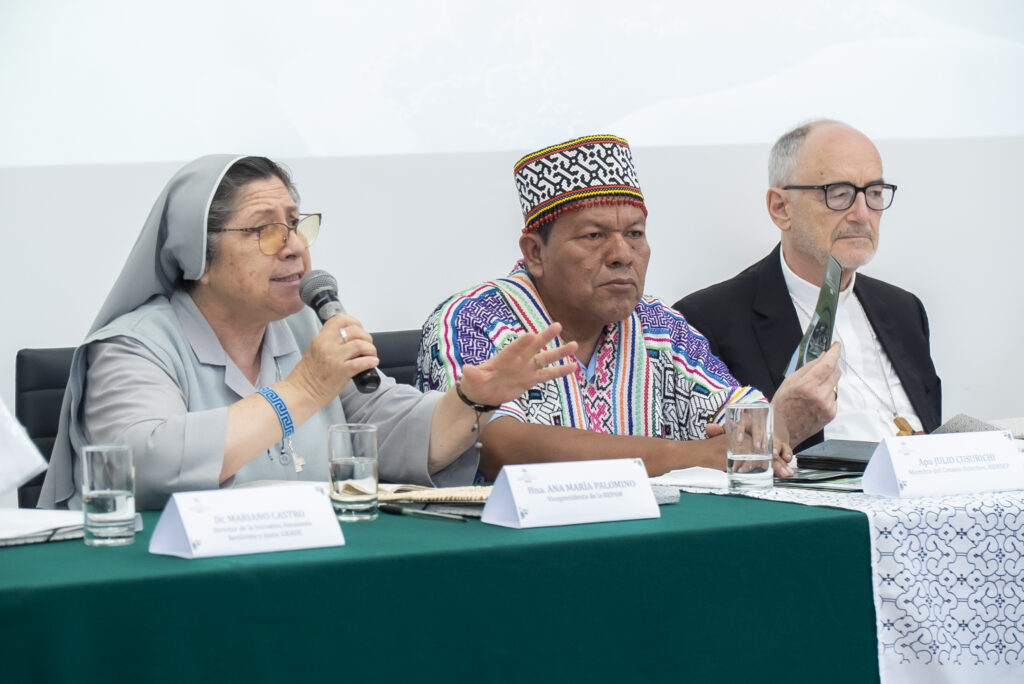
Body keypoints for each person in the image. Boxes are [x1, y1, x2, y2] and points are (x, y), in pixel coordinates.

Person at [38, 155, 576, 510]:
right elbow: (138, 462)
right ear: (195, 251)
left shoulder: (298, 325)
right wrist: (302, 390)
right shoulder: (135, 346)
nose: (294, 246)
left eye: (296, 224)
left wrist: (470, 400)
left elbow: (388, 428)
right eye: (266, 230)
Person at [416, 134, 839, 481]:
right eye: (594, 236)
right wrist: (691, 455)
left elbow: (742, 422)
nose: (622, 254)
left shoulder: (659, 326)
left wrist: (772, 423)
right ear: (535, 253)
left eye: (635, 234)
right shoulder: (472, 320)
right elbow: (498, 446)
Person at [674, 120, 941, 451]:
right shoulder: (705, 321)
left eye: (873, 193)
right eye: (839, 194)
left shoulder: (905, 311)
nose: (862, 213)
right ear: (780, 208)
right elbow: (705, 464)